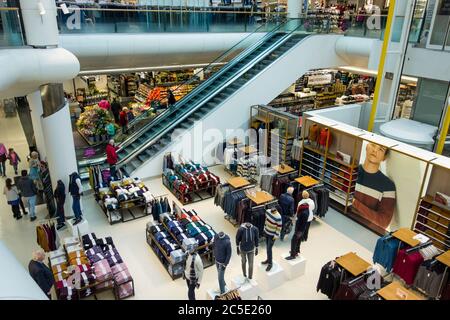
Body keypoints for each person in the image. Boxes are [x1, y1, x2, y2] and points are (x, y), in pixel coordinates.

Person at [353, 142, 396, 229]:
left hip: (366, 233)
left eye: (381, 149)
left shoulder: (388, 186)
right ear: (366, 147)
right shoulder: (351, 172)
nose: (375, 150)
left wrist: (354, 202)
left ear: (384, 157)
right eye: (373, 145)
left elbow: (383, 222)